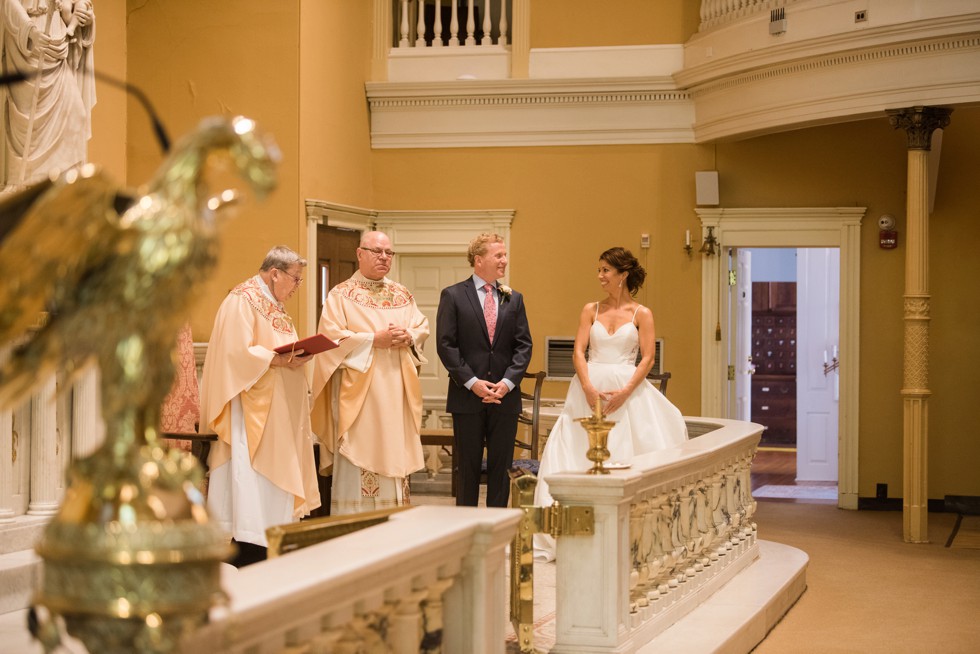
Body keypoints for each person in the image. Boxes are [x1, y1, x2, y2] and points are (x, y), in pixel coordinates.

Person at [533, 247, 688, 561]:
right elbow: (578, 351)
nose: (600, 276)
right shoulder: (590, 309)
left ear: (623, 274)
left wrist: (626, 392)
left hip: (626, 391)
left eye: (605, 270)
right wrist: (588, 387)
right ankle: (574, 529)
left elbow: (648, 357)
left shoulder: (641, 313)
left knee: (625, 452)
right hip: (588, 390)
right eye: (599, 269)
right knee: (577, 452)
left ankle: (625, 536)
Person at [200, 245, 321, 567]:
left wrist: (295, 356)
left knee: (276, 481)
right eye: (295, 279)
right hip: (253, 409)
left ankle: (275, 537)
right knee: (253, 479)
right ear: (275, 273)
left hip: (280, 407)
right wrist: (276, 359)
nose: (297, 287)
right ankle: (251, 543)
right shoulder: (241, 300)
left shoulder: (274, 306)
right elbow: (234, 352)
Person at [311, 231, 429, 515]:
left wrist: (409, 336)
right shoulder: (340, 295)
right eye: (376, 251)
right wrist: (371, 340)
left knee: (394, 454)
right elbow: (329, 340)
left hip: (396, 392)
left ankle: (393, 525)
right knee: (359, 454)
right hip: (360, 395)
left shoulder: (402, 293)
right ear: (359, 253)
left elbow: (421, 325)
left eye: (389, 252)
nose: (384, 258)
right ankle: (354, 524)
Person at [436, 232, 532, 508]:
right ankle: (467, 533)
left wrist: (508, 383)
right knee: (467, 471)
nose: (504, 260)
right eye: (498, 255)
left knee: (501, 472)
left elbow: (524, 346)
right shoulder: (453, 295)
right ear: (479, 260)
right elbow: (446, 345)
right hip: (467, 399)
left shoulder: (513, 299)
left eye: (504, 255)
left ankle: (497, 533)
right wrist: (472, 382)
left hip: (505, 398)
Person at [0, 0, 96, 189]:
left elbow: (76, 5)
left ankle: (66, 188)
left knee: (75, 115)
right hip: (25, 42)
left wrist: (84, 18)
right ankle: (24, 187)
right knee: (28, 125)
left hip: (57, 41)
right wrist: (31, 32)